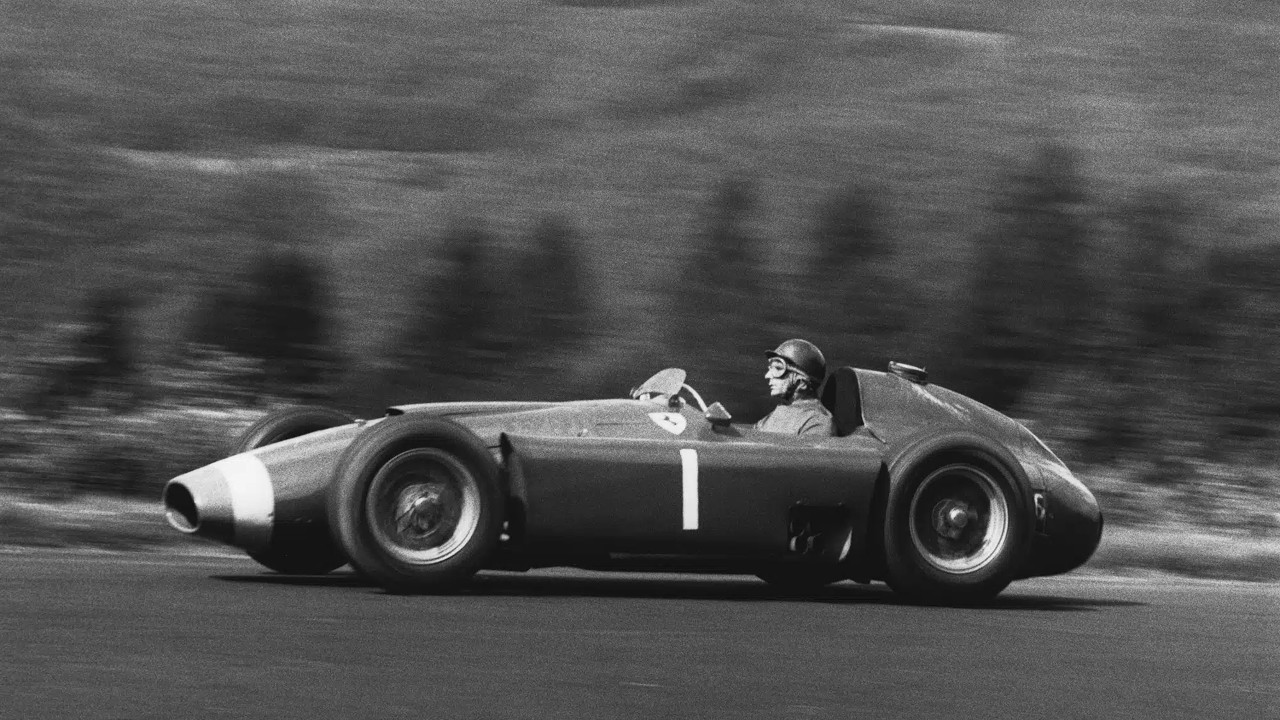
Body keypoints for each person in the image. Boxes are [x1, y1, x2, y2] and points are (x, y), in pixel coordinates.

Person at [755, 339, 835, 436]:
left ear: (802, 383)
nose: (767, 376)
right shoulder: (775, 415)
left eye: (778, 368)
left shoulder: (817, 423)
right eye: (771, 368)